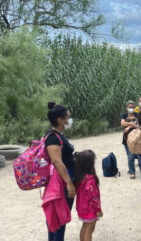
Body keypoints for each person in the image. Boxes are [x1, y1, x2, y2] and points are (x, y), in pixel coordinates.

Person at [45, 102, 76, 241]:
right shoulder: (52, 137)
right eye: (67, 117)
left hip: (64, 177)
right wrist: (69, 183)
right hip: (62, 179)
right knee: (59, 216)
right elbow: (57, 161)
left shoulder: (58, 135)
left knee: (57, 215)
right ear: (59, 120)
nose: (69, 120)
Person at [74, 150, 103, 241]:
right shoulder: (91, 179)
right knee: (89, 230)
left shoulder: (79, 176)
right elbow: (93, 197)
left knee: (85, 227)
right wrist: (98, 210)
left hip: (82, 208)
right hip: (90, 209)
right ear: (90, 164)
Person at [121, 100, 139, 179]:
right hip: (127, 138)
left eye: (132, 107)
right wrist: (132, 124)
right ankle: (132, 172)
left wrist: (129, 126)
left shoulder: (137, 115)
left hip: (136, 138)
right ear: (126, 107)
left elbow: (139, 125)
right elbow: (122, 123)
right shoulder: (124, 115)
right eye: (129, 107)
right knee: (130, 155)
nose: (131, 109)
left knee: (138, 155)